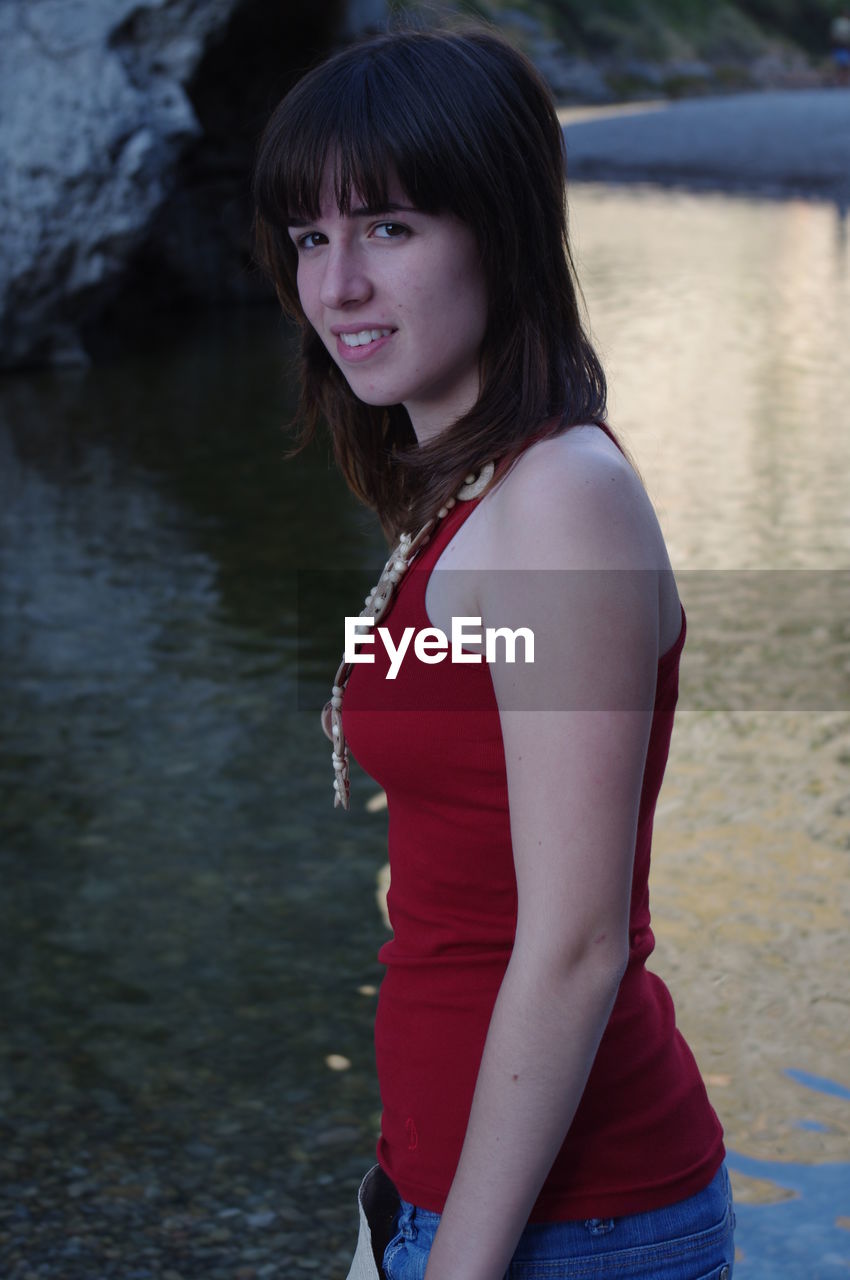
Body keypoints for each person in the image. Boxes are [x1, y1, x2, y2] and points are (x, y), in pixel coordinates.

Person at [253, 24, 734, 1280]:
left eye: (390, 228)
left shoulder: (559, 500)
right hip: (448, 1193)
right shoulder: (462, 491)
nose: (337, 285)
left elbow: (575, 940)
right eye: (312, 237)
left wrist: (455, 1262)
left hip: (573, 1225)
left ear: (500, 231)